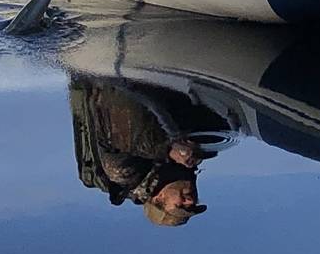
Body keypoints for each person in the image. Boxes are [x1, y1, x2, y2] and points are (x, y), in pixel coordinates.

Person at [67, 75, 225, 225]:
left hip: (112, 76)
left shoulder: (123, 174)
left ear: (158, 198)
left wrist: (168, 149)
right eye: (193, 205)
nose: (190, 201)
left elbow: (128, 121)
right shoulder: (183, 163)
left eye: (181, 206)